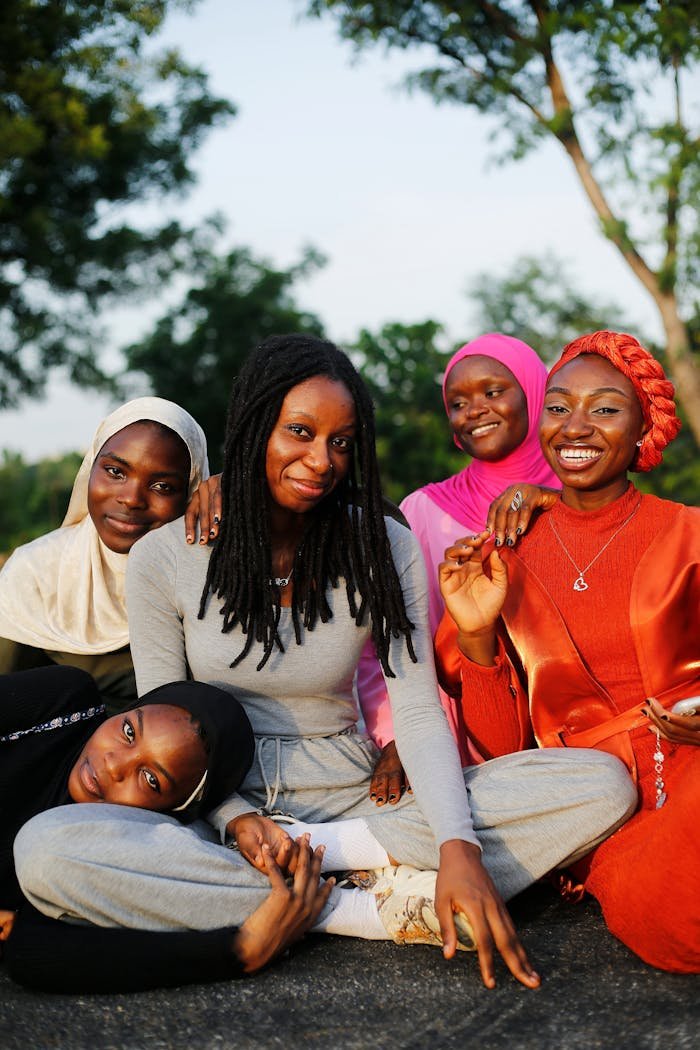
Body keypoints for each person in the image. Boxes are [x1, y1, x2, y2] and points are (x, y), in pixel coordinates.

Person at [14, 334, 636, 991]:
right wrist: (235, 820)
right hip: (219, 809)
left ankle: (335, 863)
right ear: (257, 426)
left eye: (342, 442)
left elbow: (419, 706)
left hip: (358, 798)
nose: (321, 460)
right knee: (48, 852)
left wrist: (459, 848)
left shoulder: (380, 543)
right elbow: (167, 718)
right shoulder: (165, 556)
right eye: (300, 432)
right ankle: (356, 908)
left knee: (601, 784)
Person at [435, 330, 699, 972]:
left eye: (605, 408)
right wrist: (475, 634)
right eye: (558, 406)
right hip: (593, 811)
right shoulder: (500, 557)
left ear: (644, 426)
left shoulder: (689, 533)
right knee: (674, 906)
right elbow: (502, 754)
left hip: (689, 771)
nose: (576, 425)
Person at [2, 664, 331, 992]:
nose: (114, 764)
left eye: (150, 779)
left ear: (166, 814)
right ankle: (336, 894)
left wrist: (241, 950)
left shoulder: (96, 862)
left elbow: (35, 956)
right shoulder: (64, 702)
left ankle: (324, 890)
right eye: (129, 731)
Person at [359, 333, 560, 796]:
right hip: (459, 743)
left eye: (494, 392)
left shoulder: (582, 498)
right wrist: (398, 739)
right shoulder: (424, 512)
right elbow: (386, 642)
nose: (475, 410)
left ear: (535, 393)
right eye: (458, 402)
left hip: (578, 730)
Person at [0, 398, 209, 711]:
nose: (132, 498)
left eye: (163, 486)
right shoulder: (36, 572)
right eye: (115, 471)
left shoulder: (204, 579)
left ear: (191, 494)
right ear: (90, 469)